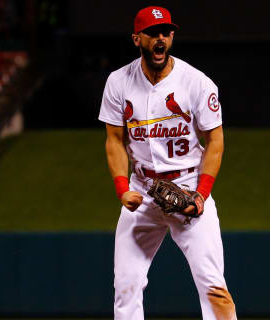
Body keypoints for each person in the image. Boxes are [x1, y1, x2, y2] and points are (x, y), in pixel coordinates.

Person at [98, 6, 236, 319]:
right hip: (142, 189)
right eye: (152, 33)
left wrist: (201, 194)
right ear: (137, 38)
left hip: (188, 186)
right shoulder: (119, 82)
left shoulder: (196, 83)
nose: (160, 38)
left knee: (213, 285)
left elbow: (215, 141)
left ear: (172, 36)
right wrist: (122, 188)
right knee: (125, 286)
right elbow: (114, 140)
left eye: (166, 32)